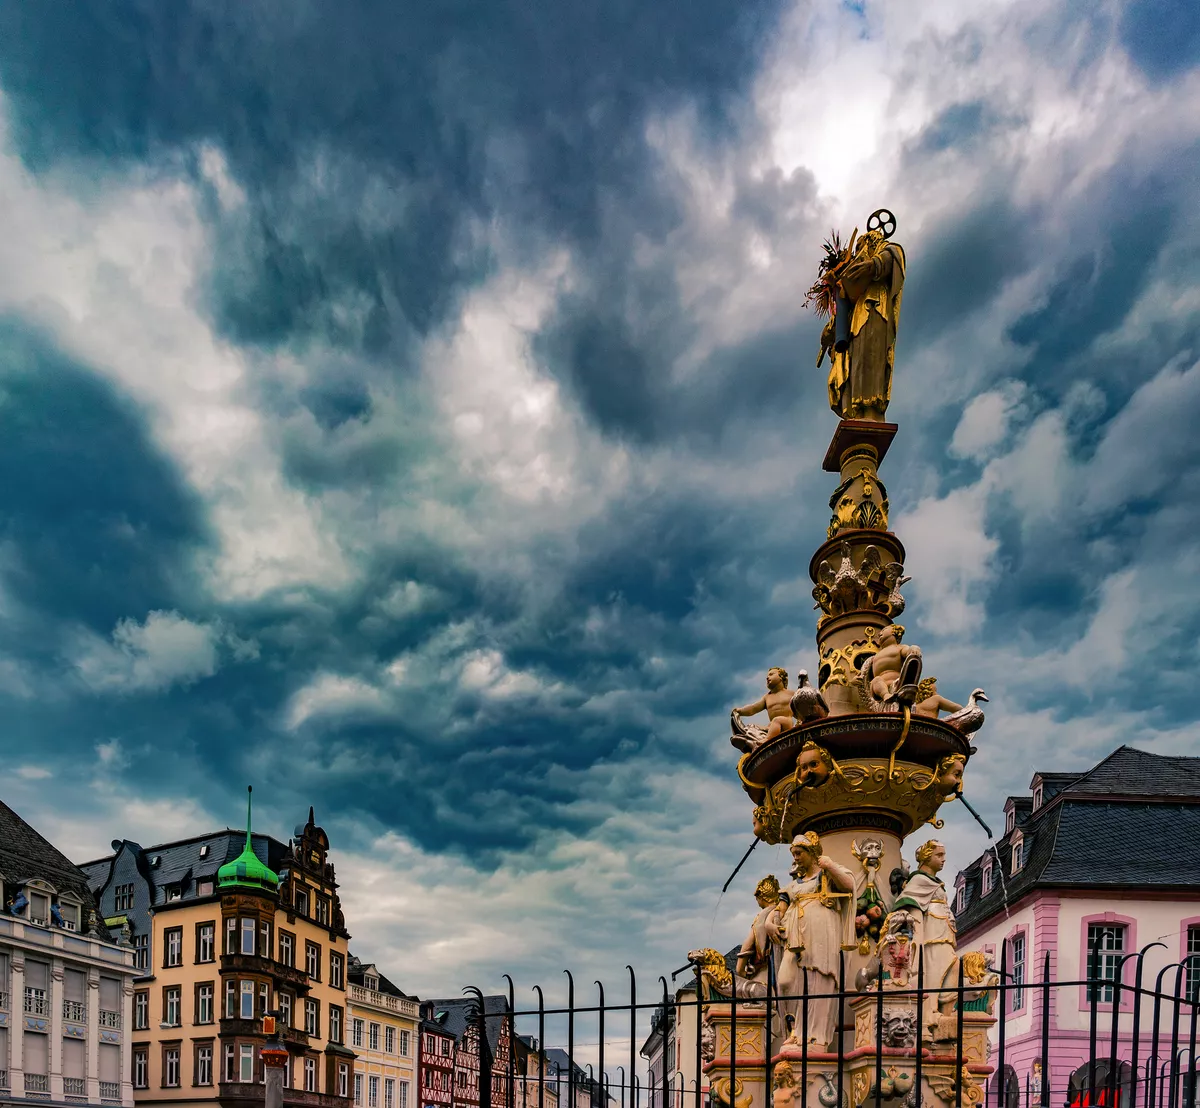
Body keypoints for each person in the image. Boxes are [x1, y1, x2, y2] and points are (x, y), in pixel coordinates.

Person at [771, 832, 856, 1051]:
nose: (796, 858)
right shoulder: (794, 886)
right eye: (793, 854)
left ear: (811, 853)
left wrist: (830, 866)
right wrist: (770, 923)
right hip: (796, 938)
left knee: (819, 980)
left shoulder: (826, 876)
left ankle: (815, 1037)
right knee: (787, 981)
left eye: (799, 853)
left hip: (822, 936)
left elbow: (849, 885)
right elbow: (779, 909)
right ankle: (795, 1030)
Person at [823, 227, 906, 423]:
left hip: (874, 308)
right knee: (856, 361)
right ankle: (855, 408)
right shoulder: (855, 294)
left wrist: (873, 265)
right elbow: (841, 316)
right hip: (858, 318)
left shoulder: (887, 252)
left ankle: (869, 408)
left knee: (870, 355)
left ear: (871, 241)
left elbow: (893, 256)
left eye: (861, 245)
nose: (858, 252)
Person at [893, 841, 957, 1026]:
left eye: (944, 855)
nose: (944, 859)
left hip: (945, 933)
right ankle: (930, 1013)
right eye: (939, 855)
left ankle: (945, 1012)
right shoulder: (918, 880)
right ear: (927, 857)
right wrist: (917, 934)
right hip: (932, 936)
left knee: (954, 966)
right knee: (935, 971)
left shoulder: (934, 882)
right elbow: (907, 903)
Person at [737, 876, 782, 985]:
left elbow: (747, 946)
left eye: (757, 898)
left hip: (764, 974)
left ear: (763, 897)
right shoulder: (783, 912)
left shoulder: (762, 917)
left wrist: (740, 969)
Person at [734, 669, 799, 742]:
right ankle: (752, 742)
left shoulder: (791, 694)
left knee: (777, 720)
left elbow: (801, 708)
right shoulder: (767, 698)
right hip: (772, 726)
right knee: (752, 727)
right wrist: (740, 711)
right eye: (767, 676)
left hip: (786, 723)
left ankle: (767, 740)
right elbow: (753, 708)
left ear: (781, 677)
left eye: (771, 674)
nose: (767, 677)